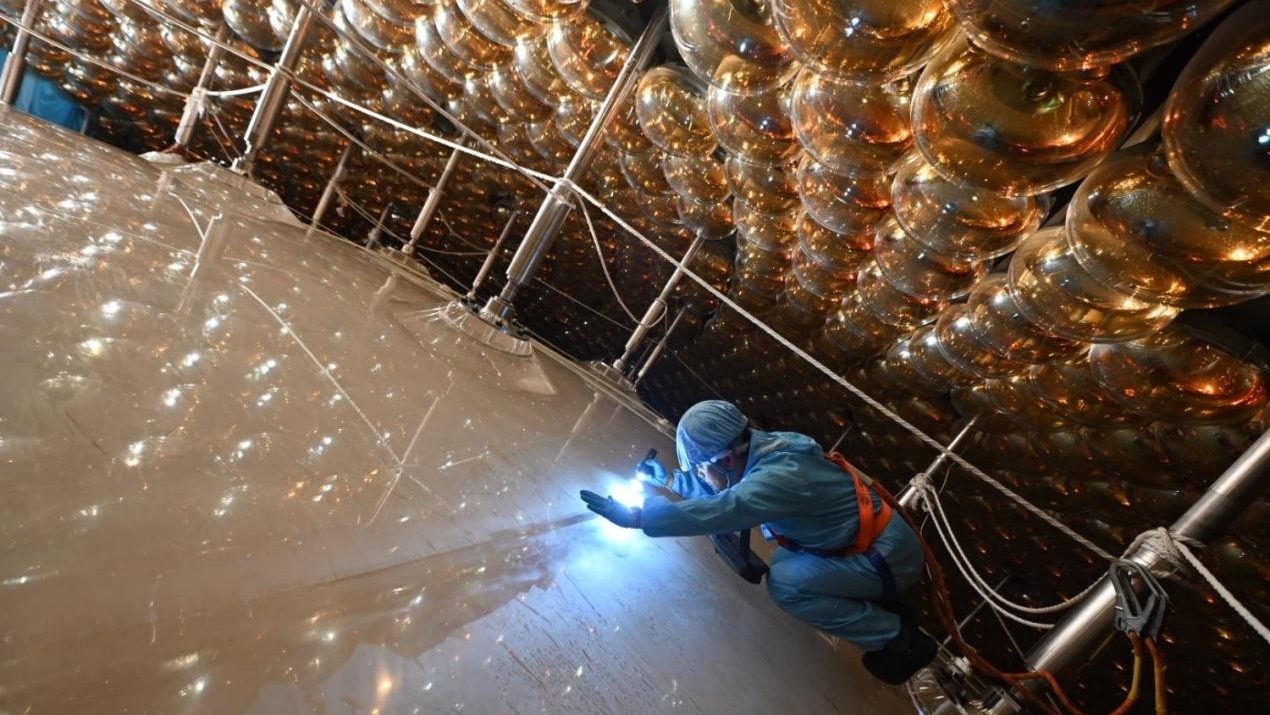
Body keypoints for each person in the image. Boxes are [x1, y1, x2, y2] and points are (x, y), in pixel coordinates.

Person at [580, 399, 936, 684]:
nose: (701, 474)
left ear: (727, 456)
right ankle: (873, 604)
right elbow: (727, 488)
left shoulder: (780, 476)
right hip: (868, 544)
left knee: (788, 585)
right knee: (783, 565)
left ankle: (897, 639)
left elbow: (728, 506)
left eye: (702, 467)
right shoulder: (759, 448)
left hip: (887, 557)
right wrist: (673, 479)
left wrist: (640, 517)